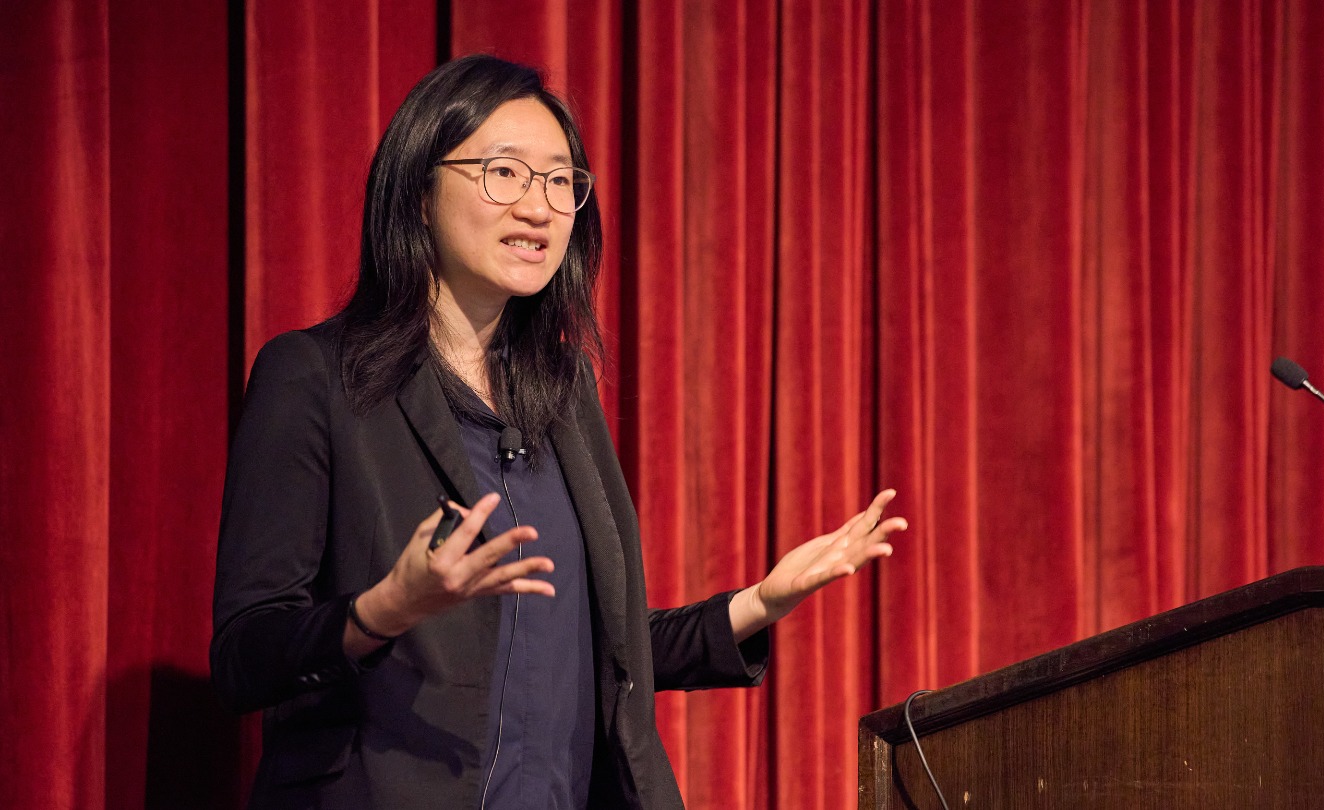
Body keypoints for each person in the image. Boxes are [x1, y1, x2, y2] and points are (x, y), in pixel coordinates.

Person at [210, 54, 907, 810]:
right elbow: (246, 655)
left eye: (559, 181)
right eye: (504, 173)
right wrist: (386, 609)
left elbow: (589, 643)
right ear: (416, 193)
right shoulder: (314, 377)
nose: (539, 208)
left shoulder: (562, 390)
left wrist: (760, 601)